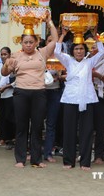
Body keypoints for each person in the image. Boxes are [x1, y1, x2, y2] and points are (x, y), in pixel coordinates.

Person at [1, 14, 58, 168]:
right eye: (25, 42)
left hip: (39, 93)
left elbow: (55, 38)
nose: (28, 45)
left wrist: (49, 22)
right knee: (21, 126)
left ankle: (36, 159)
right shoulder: (15, 55)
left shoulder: (42, 53)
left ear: (36, 42)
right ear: (21, 42)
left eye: (31, 42)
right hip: (21, 92)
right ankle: (20, 159)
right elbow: (4, 73)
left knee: (38, 126)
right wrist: (7, 65)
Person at [54, 27, 104, 170]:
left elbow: (102, 52)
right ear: (72, 51)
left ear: (85, 50)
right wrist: (63, 35)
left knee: (87, 131)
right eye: (76, 49)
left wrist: (96, 36)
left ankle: (85, 162)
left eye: (81, 49)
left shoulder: (89, 62)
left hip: (87, 99)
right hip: (70, 99)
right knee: (69, 130)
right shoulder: (68, 61)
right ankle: (68, 161)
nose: (79, 51)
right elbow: (57, 52)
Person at [43, 34, 63, 163]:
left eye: (53, 41)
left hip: (55, 92)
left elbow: (68, 73)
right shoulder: (40, 56)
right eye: (49, 41)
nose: (51, 43)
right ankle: (34, 151)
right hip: (40, 92)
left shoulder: (60, 58)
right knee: (36, 123)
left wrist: (59, 77)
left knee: (51, 124)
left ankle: (48, 152)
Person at [0, 46, 15, 147]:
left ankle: (13, 138)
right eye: (2, 54)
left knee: (11, 118)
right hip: (1, 96)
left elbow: (16, 81)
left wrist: (6, 87)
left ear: (9, 55)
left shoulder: (13, 65)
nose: (3, 56)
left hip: (11, 95)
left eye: (5, 54)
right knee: (2, 118)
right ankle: (3, 138)